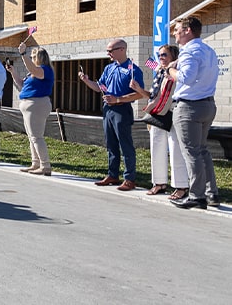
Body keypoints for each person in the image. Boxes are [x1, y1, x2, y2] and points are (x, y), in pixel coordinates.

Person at [166, 17, 221, 209]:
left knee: (192, 152)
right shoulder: (208, 50)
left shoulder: (189, 51)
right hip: (207, 104)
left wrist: (170, 71)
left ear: (188, 30)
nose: (174, 33)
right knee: (202, 150)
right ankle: (211, 193)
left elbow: (186, 78)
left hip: (189, 107)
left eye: (177, 29)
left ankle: (197, 196)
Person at [79, 39, 145, 191]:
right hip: (108, 110)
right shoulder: (109, 68)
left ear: (122, 50)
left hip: (122, 110)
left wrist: (118, 99)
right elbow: (100, 87)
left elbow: (139, 94)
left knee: (125, 145)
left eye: (111, 50)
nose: (108, 53)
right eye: (108, 50)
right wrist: (87, 81)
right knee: (111, 144)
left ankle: (129, 178)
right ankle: (113, 175)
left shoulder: (132, 69)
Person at [129, 44, 189, 198]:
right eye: (160, 55)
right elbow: (153, 95)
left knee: (175, 149)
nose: (161, 58)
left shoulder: (177, 71)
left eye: (164, 55)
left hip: (172, 112)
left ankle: (181, 186)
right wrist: (139, 90)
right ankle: (159, 183)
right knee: (156, 147)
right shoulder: (159, 72)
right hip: (157, 113)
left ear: (173, 57)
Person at [8, 43, 54, 175]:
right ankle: (36, 163)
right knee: (31, 137)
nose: (32, 58)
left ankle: (45, 165)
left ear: (40, 58)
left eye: (34, 56)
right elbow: (21, 84)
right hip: (29, 104)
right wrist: (13, 72)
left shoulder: (45, 70)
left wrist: (22, 54)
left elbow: (34, 70)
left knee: (36, 137)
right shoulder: (34, 72)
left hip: (37, 104)